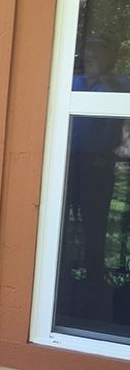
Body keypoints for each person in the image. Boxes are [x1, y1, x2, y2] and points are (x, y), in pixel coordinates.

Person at [64, 35, 129, 325]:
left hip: (98, 166)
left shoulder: (118, 84)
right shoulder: (74, 83)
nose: (89, 59)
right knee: (61, 224)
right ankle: (63, 277)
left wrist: (105, 77)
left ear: (108, 58)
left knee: (95, 227)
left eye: (95, 55)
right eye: (87, 54)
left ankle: (93, 283)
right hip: (68, 164)